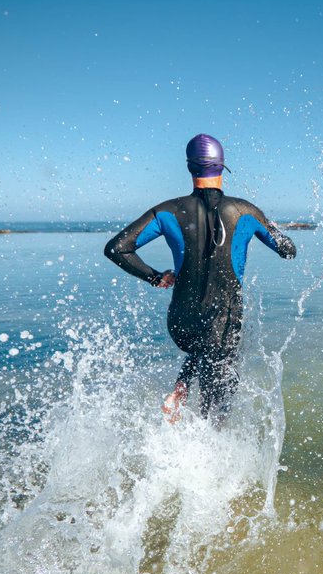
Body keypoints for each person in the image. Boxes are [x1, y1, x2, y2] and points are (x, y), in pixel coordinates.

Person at [104, 133, 296, 421]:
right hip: (223, 325)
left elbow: (117, 248)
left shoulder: (167, 210)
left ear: (190, 168)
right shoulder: (245, 211)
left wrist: (156, 277)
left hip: (181, 323)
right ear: (222, 167)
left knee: (200, 346)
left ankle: (179, 390)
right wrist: (268, 225)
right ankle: (206, 448)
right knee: (216, 415)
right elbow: (288, 251)